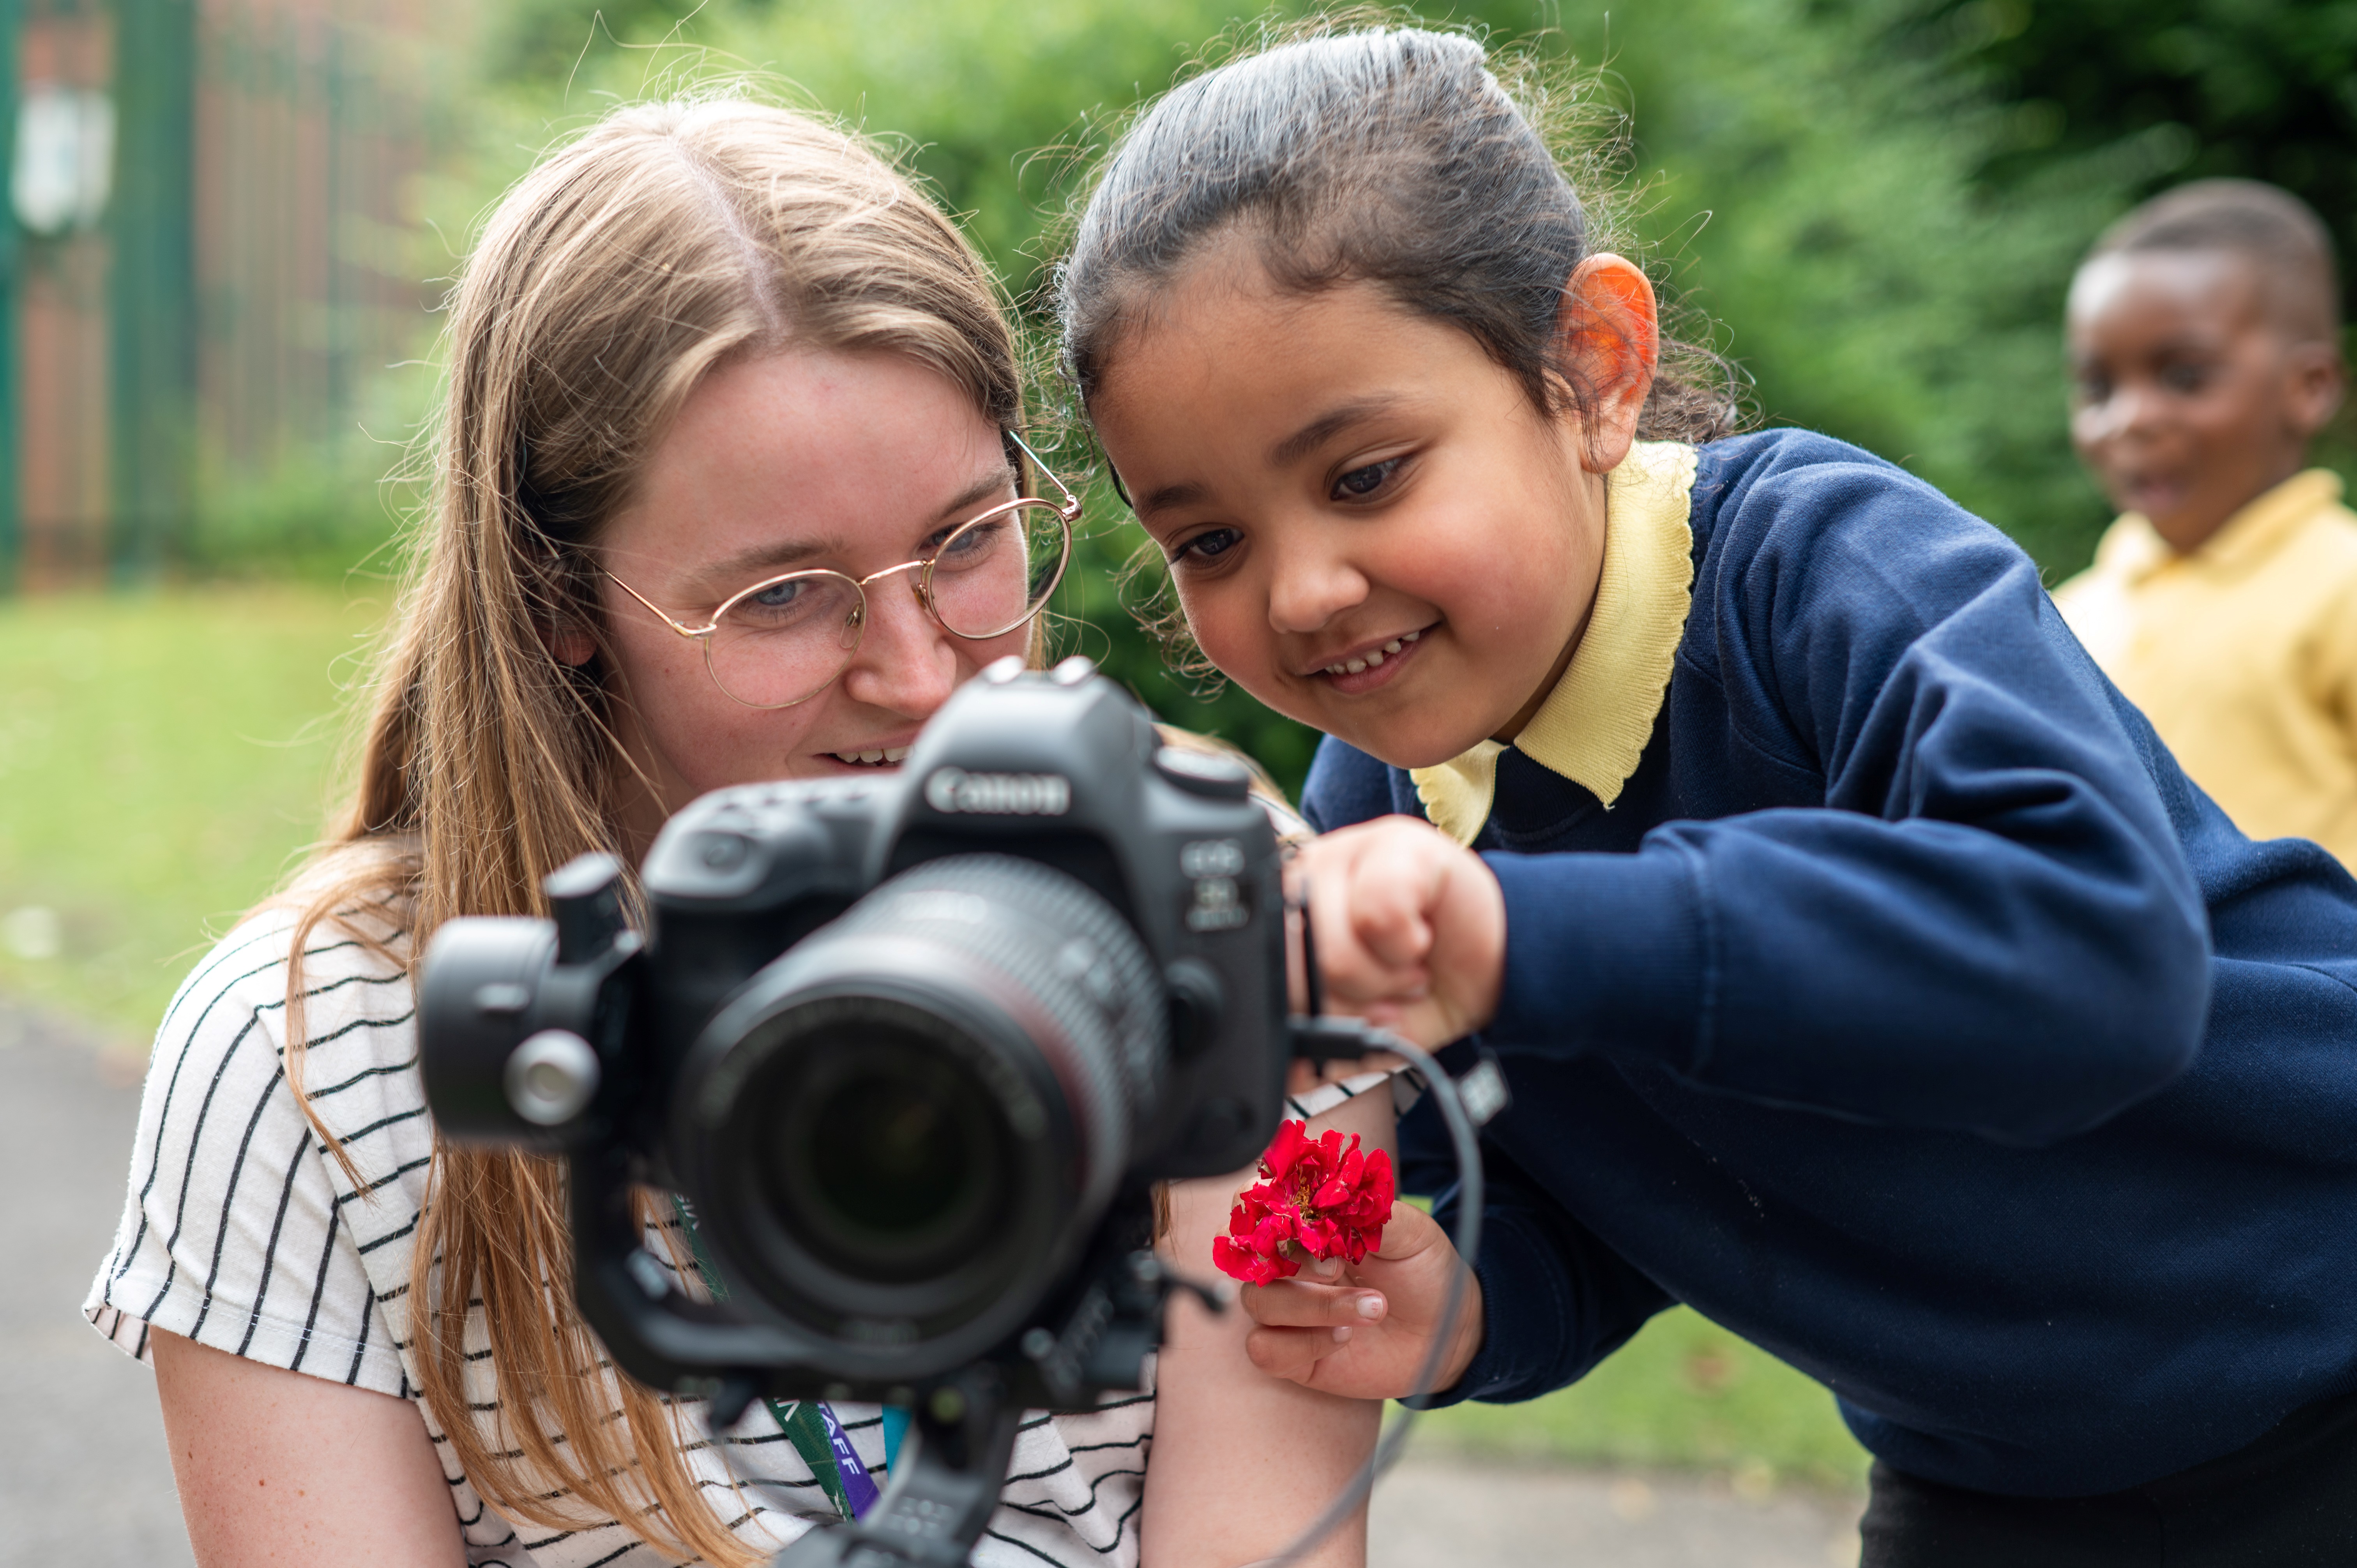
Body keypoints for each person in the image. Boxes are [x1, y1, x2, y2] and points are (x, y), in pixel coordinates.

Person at [1057, 26, 2357, 1566]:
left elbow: (2103, 957)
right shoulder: (1383, 818)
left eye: (1366, 476)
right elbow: (1612, 1204)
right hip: (2001, 1481)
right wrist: (1461, 1303)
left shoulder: (1825, 572)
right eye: (1209, 542)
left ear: (1590, 368)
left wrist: (1521, 935)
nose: (1306, 591)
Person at [86, 98, 1378, 1568]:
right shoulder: (318, 1057)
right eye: (780, 596)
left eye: (966, 540)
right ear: (559, 607)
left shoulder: (1212, 901)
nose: (916, 670)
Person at [2053, 179, 2357, 865]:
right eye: (2098, 387)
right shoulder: (2063, 616)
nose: (2129, 420)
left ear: (2308, 389)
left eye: (2185, 377)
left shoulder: (2342, 587)